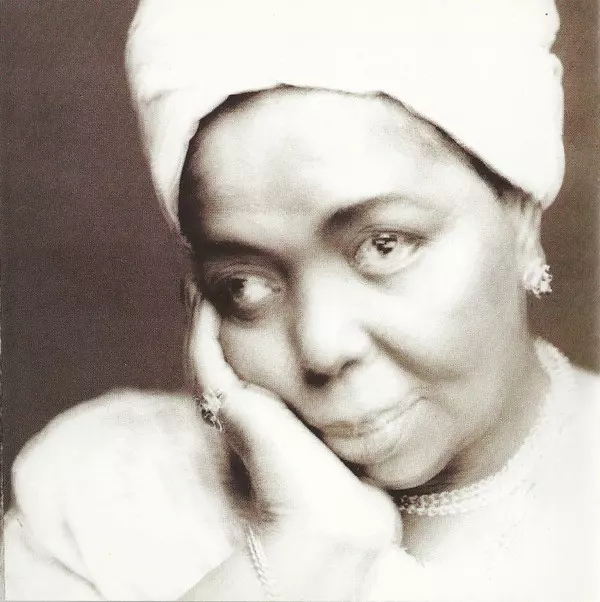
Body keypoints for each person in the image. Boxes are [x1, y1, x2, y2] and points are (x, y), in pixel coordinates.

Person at [3, 0, 599, 600]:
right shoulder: (95, 505)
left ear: (521, 217)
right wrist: (304, 547)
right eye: (244, 285)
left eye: (384, 246)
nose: (320, 346)